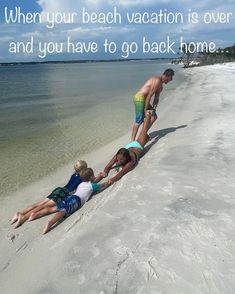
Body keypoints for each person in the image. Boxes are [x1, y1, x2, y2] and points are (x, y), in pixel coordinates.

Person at [28, 168, 110, 234]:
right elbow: (101, 186)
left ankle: (36, 214)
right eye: (93, 175)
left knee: (54, 208)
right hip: (76, 200)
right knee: (63, 211)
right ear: (92, 177)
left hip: (71, 197)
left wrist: (98, 177)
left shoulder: (81, 184)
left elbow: (91, 185)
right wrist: (108, 182)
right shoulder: (92, 186)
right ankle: (51, 223)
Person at [10, 159, 87, 227]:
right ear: (83, 169)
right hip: (64, 193)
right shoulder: (82, 177)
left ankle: (20, 213)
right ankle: (24, 217)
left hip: (59, 189)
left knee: (39, 204)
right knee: (44, 206)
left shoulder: (74, 174)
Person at [98, 110, 152, 184]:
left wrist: (111, 180)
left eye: (121, 160)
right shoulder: (120, 155)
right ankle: (147, 138)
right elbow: (108, 166)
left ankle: (148, 115)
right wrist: (105, 172)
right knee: (144, 135)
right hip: (128, 147)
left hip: (137, 147)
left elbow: (122, 173)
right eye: (118, 159)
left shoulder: (131, 161)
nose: (119, 161)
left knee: (144, 129)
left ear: (127, 158)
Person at [131, 68, 174, 141]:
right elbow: (150, 95)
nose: (171, 80)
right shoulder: (157, 80)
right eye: (170, 78)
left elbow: (156, 98)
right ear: (166, 76)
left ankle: (143, 133)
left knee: (154, 116)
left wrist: (154, 108)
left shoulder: (161, 87)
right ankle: (132, 141)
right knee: (140, 119)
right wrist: (145, 110)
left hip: (145, 100)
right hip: (139, 97)